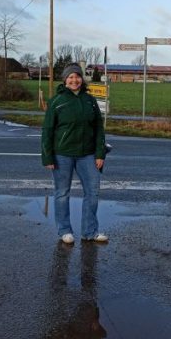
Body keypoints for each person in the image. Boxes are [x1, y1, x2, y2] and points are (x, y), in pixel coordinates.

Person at [41, 63, 108, 245]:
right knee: (62, 193)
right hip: (62, 154)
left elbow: (99, 128)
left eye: (77, 76)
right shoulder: (56, 101)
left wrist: (100, 153)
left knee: (93, 192)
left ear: (81, 79)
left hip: (88, 154)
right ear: (65, 79)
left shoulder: (90, 100)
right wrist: (47, 156)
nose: (74, 80)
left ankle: (90, 231)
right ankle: (65, 230)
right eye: (70, 77)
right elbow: (47, 130)